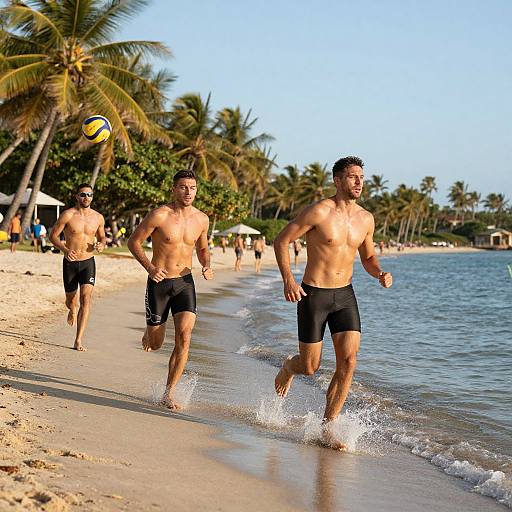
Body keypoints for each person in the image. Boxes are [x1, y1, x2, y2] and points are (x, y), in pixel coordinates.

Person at [273, 156, 393, 451]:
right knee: (310, 367)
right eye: (352, 177)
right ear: (337, 180)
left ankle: (328, 427)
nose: (359, 183)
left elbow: (367, 256)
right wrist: (289, 279)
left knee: (349, 361)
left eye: (362, 177)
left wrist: (379, 272)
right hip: (314, 295)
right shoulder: (319, 211)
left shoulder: (366, 218)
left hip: (345, 296)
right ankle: (290, 366)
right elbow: (282, 241)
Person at [128, 170, 213, 410]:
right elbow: (133, 242)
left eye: (192, 188)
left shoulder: (201, 219)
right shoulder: (159, 215)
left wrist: (206, 264)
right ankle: (149, 331)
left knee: (184, 338)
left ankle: (169, 392)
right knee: (155, 343)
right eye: (183, 187)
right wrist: (150, 268)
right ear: (174, 189)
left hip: (184, 283)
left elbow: (203, 248)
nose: (188, 192)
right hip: (159, 283)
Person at [50, 184, 106, 352]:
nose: (86, 197)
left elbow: (103, 238)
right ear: (77, 196)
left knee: (86, 299)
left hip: (88, 262)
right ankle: (72, 309)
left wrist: (102, 245)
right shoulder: (68, 215)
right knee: (71, 300)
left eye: (89, 194)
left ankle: (78, 339)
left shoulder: (98, 218)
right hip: (70, 263)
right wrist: (65, 250)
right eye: (83, 194)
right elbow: (53, 236)